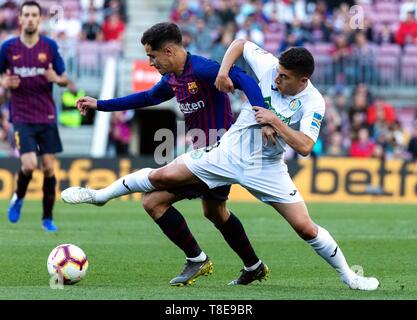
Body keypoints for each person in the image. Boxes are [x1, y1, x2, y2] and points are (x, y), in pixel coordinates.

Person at [63, 39, 380, 291]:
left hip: (267, 167)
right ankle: (101, 196)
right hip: (226, 152)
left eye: (284, 77)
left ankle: (349, 277)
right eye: (277, 73)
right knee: (163, 177)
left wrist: (274, 121)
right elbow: (240, 44)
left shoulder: (314, 103)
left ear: (303, 80)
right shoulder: (270, 65)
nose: (276, 78)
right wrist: (225, 72)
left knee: (304, 227)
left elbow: (306, 147)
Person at [72, 22, 270, 286]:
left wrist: (263, 116)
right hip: (204, 154)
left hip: (218, 154)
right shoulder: (173, 78)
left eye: (152, 56)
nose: (151, 63)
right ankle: (253, 265)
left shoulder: (202, 68)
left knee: (153, 202)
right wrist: (100, 104)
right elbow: (147, 98)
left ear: (168, 51)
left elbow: (244, 78)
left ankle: (196, 259)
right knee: (215, 212)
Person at [0, 1, 69, 232]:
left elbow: (65, 79)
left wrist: (55, 78)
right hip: (21, 115)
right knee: (29, 164)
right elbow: (0, 75)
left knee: (49, 167)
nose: (30, 19)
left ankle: (47, 218)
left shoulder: (49, 46)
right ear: (20, 19)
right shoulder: (8, 48)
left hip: (47, 115)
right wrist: (4, 82)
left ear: (39, 19)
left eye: (34, 15)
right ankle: (18, 198)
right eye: (26, 15)